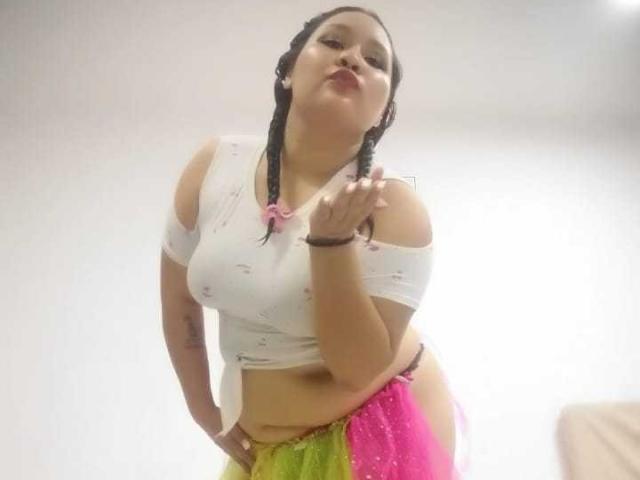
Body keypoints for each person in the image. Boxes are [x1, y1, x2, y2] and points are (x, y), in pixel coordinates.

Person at [160, 5, 467, 479]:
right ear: (288, 71)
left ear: (383, 111)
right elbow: (179, 298)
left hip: (376, 430)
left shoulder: (394, 207)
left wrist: (331, 244)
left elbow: (356, 369)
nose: (352, 58)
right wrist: (200, 406)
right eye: (333, 41)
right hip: (264, 449)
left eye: (375, 60)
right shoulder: (214, 165)